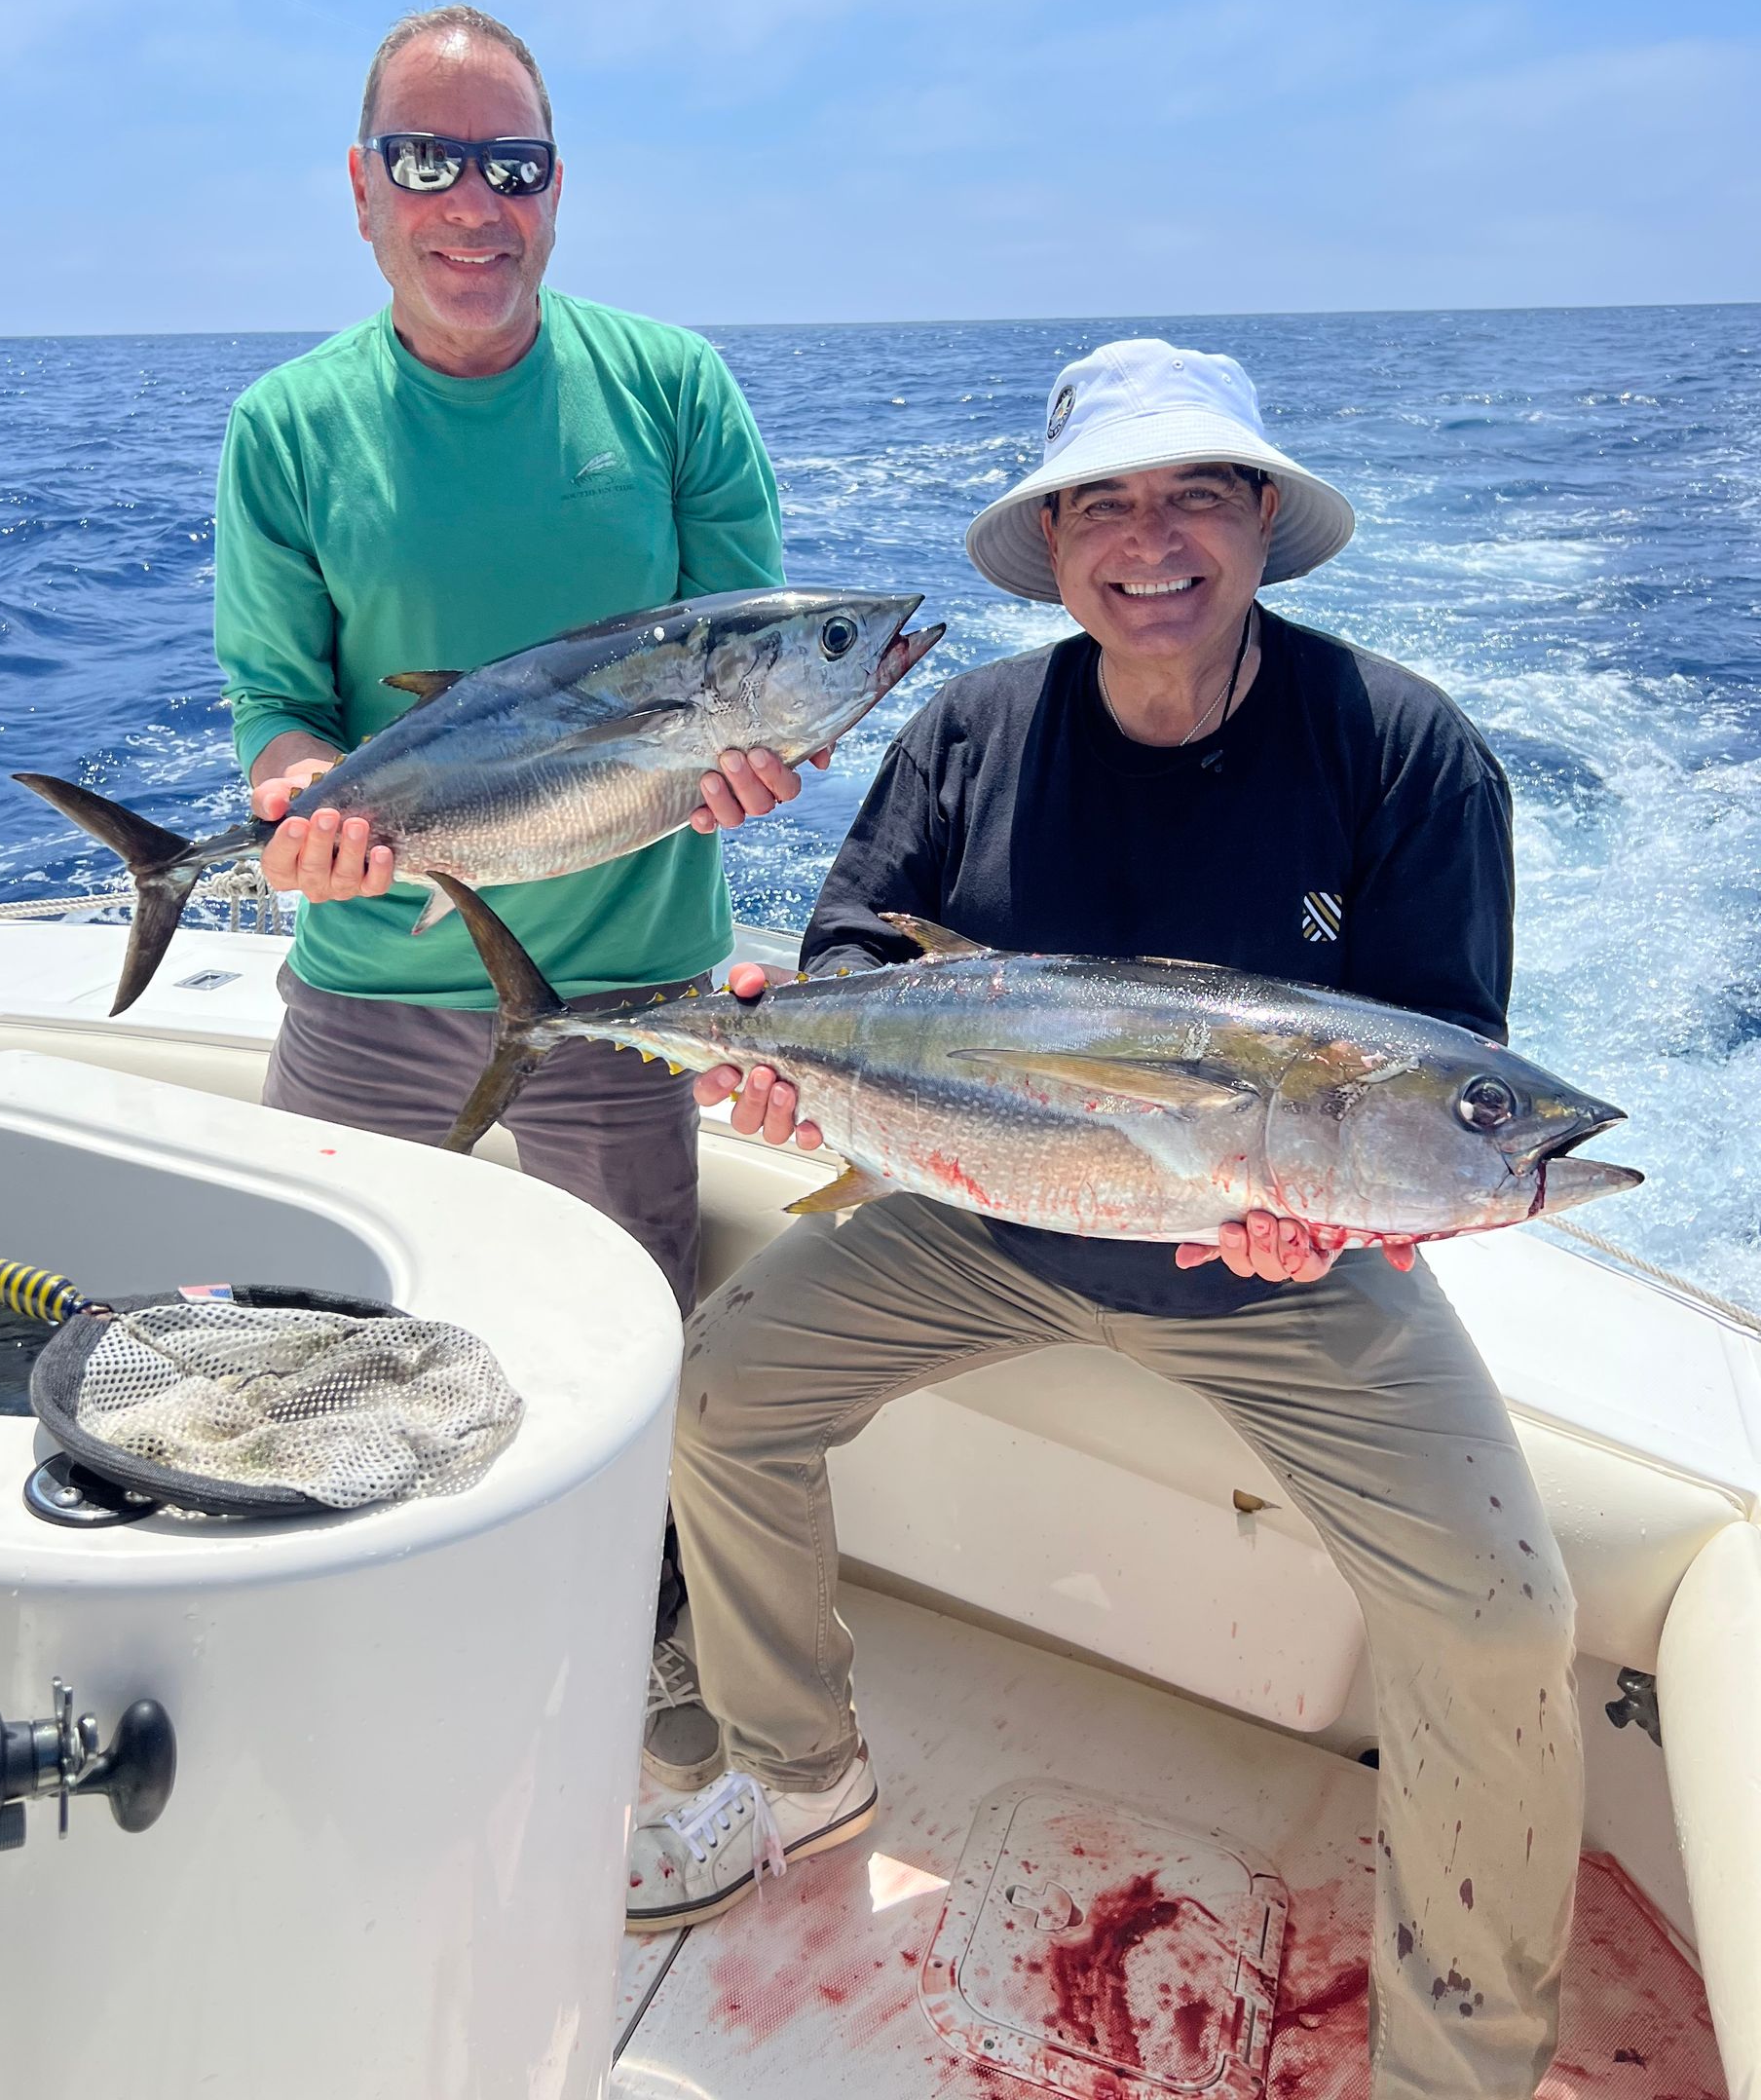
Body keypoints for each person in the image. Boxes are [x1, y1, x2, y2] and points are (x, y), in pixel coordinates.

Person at [624, 339, 1583, 2100]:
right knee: (722, 1388)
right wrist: (791, 1050)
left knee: (1503, 1620)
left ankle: (1465, 2067)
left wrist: (1339, 1228)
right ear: (1055, 546)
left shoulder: (1401, 753)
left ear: (1264, 519)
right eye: (1105, 505)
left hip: (1275, 1276)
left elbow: (1444, 1078)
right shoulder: (974, 730)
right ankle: (800, 1766)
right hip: (979, 1219)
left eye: (1194, 494)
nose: (1151, 540)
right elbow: (851, 963)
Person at [213, 5, 816, 1768]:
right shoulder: (286, 426)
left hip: (626, 1014)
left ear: (559, 191)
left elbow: (746, 671)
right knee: (312, 1351)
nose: (473, 203)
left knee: (615, 1372)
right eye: (428, 159)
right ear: (361, 190)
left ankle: (612, 1671)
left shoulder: (673, 390)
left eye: (514, 164)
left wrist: (758, 771)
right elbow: (277, 706)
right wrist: (288, 801)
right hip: (366, 998)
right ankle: (337, 1664)